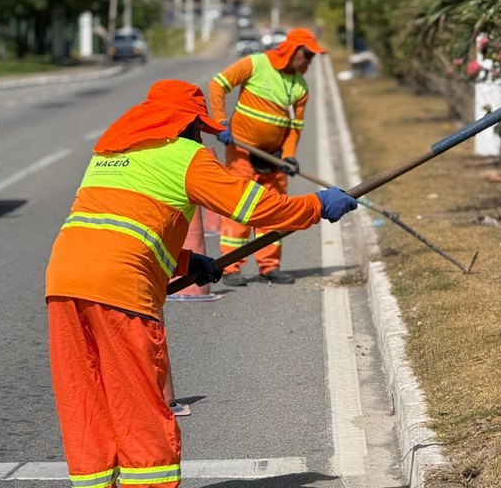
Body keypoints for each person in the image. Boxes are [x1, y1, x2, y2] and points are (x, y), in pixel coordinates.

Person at [44, 79, 356, 488]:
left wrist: (186, 262)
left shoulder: (110, 155)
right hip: (119, 288)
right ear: (188, 124)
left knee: (86, 399)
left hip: (63, 283)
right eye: (200, 128)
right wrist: (317, 205)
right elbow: (255, 207)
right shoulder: (186, 156)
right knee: (137, 402)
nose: (202, 136)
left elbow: (118, 227)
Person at [209, 27, 325, 286]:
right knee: (240, 208)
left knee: (274, 211)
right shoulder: (255, 64)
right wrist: (221, 123)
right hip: (242, 151)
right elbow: (217, 85)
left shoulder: (300, 86)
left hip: (274, 158)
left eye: (312, 57)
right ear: (293, 50)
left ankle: (269, 267)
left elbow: (295, 127)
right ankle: (231, 267)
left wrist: (289, 156)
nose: (308, 62)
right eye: (307, 55)